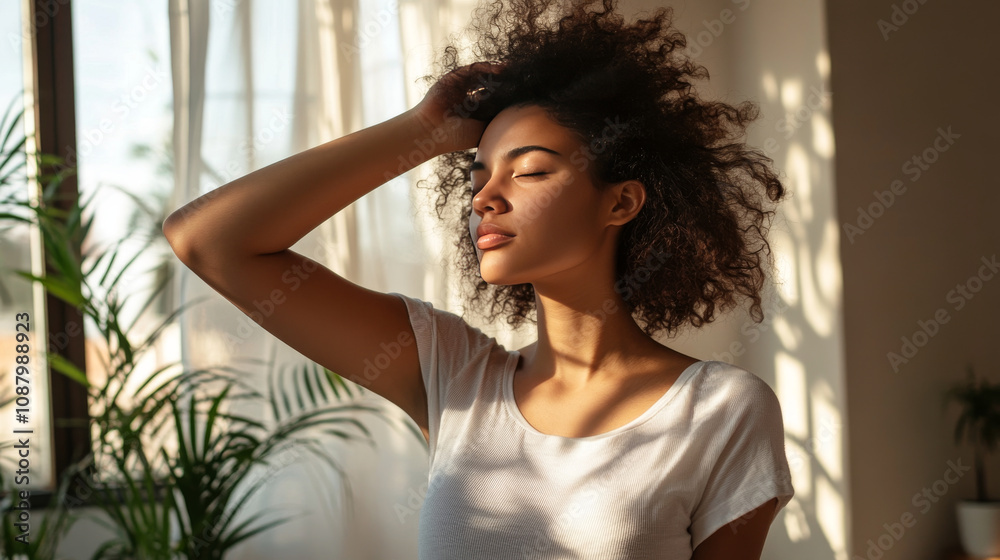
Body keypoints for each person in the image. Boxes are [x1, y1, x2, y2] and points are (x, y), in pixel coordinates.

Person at [163, 0, 795, 558]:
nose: (485, 199)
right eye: (478, 176)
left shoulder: (721, 409)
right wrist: (420, 133)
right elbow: (207, 242)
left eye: (530, 171)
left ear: (620, 203)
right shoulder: (455, 376)